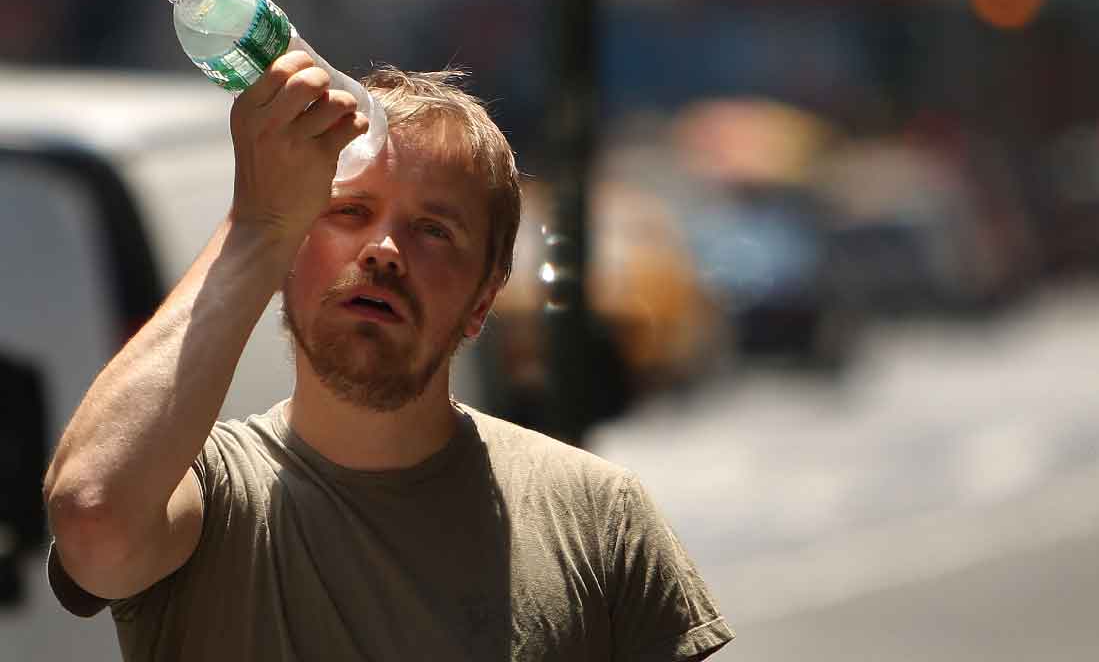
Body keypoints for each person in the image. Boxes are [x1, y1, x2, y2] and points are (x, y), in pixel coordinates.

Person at [41, 51, 734, 661]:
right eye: (347, 212)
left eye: (433, 230)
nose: (384, 250)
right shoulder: (209, 494)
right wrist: (256, 226)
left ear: (482, 302)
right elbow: (93, 517)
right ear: (289, 255)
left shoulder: (598, 516)